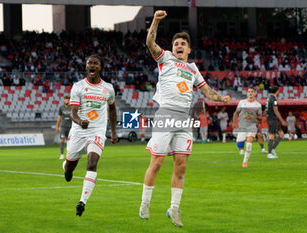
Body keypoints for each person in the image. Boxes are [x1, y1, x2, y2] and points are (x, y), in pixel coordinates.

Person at [139, 10, 230, 228]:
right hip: (165, 114)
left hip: (183, 119)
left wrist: (223, 99)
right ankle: (145, 203)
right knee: (158, 162)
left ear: (189, 49)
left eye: (183, 44)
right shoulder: (165, 58)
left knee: (181, 166)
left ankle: (174, 209)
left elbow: (207, 92)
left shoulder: (193, 69)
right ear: (173, 48)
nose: (179, 46)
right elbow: (150, 42)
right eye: (176, 43)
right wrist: (156, 21)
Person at [63, 54, 118, 217]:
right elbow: (72, 112)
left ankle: (82, 202)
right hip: (79, 132)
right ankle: (67, 168)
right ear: (86, 67)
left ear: (100, 67)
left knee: (92, 162)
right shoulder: (78, 87)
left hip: (97, 132)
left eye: (95, 63)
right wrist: (80, 121)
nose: (92, 66)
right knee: (70, 166)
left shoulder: (108, 88)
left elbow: (112, 109)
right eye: (89, 63)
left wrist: (113, 132)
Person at [232, 87, 262, 167]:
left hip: (252, 126)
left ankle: (245, 162)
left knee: (249, 143)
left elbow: (261, 117)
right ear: (247, 93)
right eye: (249, 92)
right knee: (239, 145)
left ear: (255, 94)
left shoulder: (258, 105)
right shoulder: (242, 102)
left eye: (252, 92)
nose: (250, 93)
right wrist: (234, 122)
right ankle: (241, 148)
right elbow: (236, 112)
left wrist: (257, 117)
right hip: (242, 126)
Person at [266, 86, 287, 159]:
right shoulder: (273, 99)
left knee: (281, 134)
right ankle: (269, 153)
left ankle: (272, 149)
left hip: (271, 119)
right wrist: (282, 120)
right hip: (272, 119)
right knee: (272, 135)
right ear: (277, 91)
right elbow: (276, 110)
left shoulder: (269, 98)